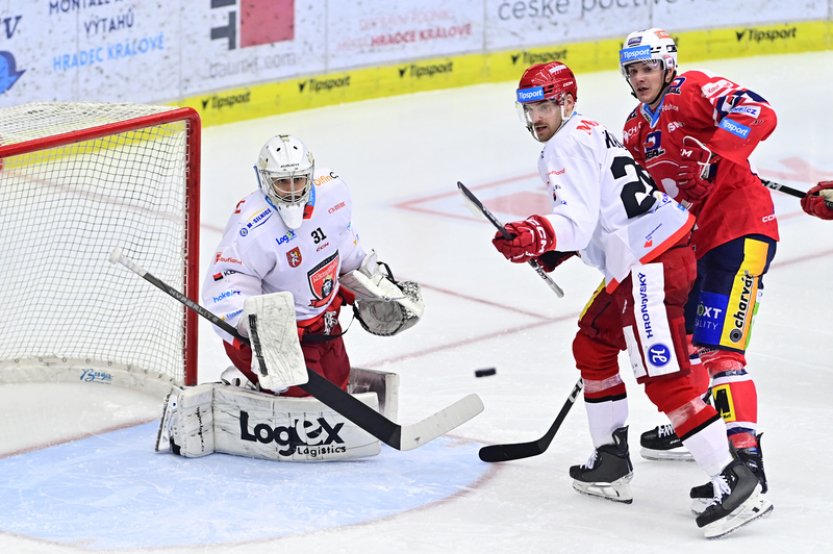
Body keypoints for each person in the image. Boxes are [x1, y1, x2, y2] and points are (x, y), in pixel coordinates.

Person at [491, 60, 770, 538]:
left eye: (544, 105)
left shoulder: (563, 146)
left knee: (664, 377)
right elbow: (604, 210)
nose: (536, 117)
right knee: (593, 344)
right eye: (529, 108)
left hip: (651, 261)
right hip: (647, 253)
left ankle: (733, 477)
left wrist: (537, 233)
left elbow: (576, 222)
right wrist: (555, 249)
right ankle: (610, 461)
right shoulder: (588, 130)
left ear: (568, 102)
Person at [156, 134, 423, 462]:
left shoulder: (332, 192)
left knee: (337, 385)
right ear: (266, 181)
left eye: (299, 180)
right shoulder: (251, 227)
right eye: (284, 183)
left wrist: (374, 283)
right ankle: (246, 381)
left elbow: (345, 245)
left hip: (323, 324)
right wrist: (257, 328)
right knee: (307, 408)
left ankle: (256, 383)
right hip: (276, 341)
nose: (294, 189)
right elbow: (224, 289)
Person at [618, 29, 779, 505]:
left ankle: (746, 460)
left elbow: (757, 111)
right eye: (632, 70)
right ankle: (701, 422)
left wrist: (718, 153)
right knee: (681, 342)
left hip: (739, 230)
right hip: (692, 243)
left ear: (667, 65)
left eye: (647, 67)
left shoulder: (692, 90)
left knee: (720, 352)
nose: (640, 77)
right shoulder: (632, 128)